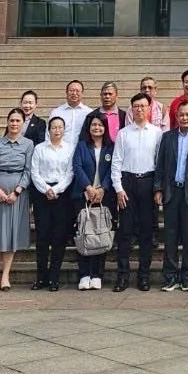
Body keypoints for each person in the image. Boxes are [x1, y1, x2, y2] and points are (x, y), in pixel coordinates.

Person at [154, 99, 188, 292]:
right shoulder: (167, 137)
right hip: (171, 192)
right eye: (181, 115)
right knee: (170, 236)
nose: (184, 118)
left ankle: (186, 275)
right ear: (176, 117)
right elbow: (160, 165)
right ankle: (170, 276)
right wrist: (158, 188)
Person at [0, 107, 34, 291]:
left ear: (23, 123)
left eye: (18, 121)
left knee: (11, 235)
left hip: (17, 195)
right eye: (12, 120)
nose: (14, 124)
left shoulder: (28, 144)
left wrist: (17, 191)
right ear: (7, 122)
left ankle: (5, 277)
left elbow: (29, 170)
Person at [111, 92, 163, 291]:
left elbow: (160, 163)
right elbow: (116, 162)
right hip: (128, 184)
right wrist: (118, 189)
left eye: (143, 106)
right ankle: (122, 276)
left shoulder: (157, 133)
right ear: (131, 110)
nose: (140, 109)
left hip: (148, 183)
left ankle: (143, 276)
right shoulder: (124, 133)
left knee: (146, 233)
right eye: (136, 106)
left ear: (149, 108)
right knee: (125, 233)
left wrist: (158, 188)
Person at [30, 115, 75, 291]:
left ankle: (54, 277)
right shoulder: (40, 148)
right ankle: (41, 277)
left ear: (64, 130)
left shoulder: (70, 149)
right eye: (54, 127)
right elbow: (34, 172)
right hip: (42, 194)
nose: (57, 130)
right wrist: (46, 189)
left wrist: (56, 190)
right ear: (48, 130)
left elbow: (70, 173)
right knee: (42, 237)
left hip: (62, 195)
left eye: (60, 127)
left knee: (59, 236)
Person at [72, 111, 115, 291]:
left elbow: (113, 169)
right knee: (84, 233)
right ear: (88, 128)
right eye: (94, 125)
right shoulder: (82, 146)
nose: (97, 128)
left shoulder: (111, 147)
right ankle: (84, 274)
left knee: (101, 234)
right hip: (83, 195)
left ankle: (97, 274)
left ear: (105, 128)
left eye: (100, 125)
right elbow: (77, 167)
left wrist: (102, 188)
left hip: (104, 197)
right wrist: (88, 188)